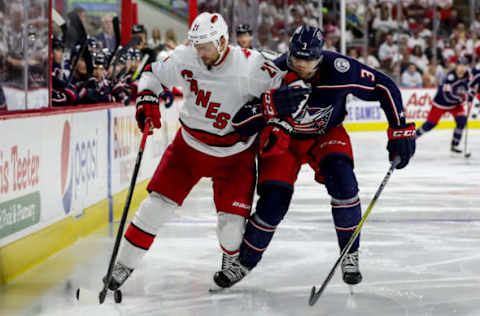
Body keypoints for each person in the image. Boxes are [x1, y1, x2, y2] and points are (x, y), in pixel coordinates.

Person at [103, 12, 309, 291]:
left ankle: (230, 258)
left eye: (206, 46)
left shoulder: (250, 65)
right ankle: (123, 265)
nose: (200, 52)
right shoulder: (186, 55)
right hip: (187, 149)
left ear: (223, 41)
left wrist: (282, 105)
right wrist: (147, 98)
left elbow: (294, 87)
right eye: (196, 45)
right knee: (155, 208)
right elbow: (152, 73)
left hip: (234, 157)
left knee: (231, 230)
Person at [213, 25, 416, 289]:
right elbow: (241, 120)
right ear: (289, 53)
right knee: (274, 202)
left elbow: (385, 85)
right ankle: (244, 262)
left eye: (308, 61)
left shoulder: (339, 68)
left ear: (321, 56)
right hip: (284, 140)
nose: (301, 66)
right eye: (297, 58)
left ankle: (350, 254)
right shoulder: (272, 72)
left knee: (344, 183)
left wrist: (399, 129)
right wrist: (268, 106)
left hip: (326, 134)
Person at [416, 58, 471, 153]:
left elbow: (468, 88)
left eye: (464, 66)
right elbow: (446, 95)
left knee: (462, 120)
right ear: (456, 66)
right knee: (430, 124)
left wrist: (469, 95)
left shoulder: (467, 76)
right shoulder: (450, 77)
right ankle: (412, 137)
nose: (462, 68)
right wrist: (460, 99)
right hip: (441, 104)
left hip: (455, 105)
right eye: (460, 66)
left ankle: (455, 144)